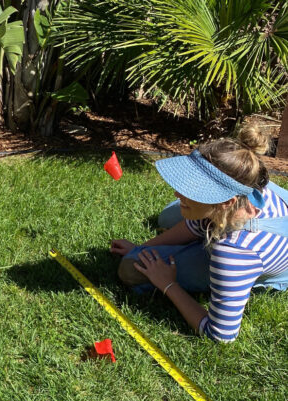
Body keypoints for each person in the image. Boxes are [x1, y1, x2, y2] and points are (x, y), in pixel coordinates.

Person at [110, 124, 288, 343]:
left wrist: (168, 284)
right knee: (166, 217)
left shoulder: (234, 254)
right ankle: (197, 221)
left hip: (259, 258)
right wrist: (144, 247)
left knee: (130, 268)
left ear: (225, 202)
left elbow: (221, 336)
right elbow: (194, 225)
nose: (177, 192)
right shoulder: (246, 179)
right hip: (227, 220)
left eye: (193, 190)